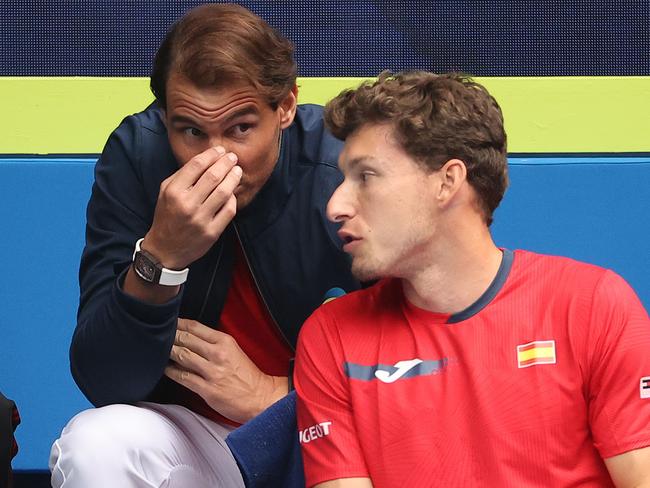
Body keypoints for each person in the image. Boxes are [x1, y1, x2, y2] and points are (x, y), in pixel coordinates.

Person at [49, 4, 360, 487]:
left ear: (286, 106)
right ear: (166, 116)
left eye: (240, 128)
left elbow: (424, 366)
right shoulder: (139, 158)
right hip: (205, 443)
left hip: (333, 438)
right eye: (191, 130)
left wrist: (276, 395)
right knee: (96, 444)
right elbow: (105, 382)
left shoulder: (341, 165)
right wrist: (160, 258)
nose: (218, 159)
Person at [294, 71, 650, 487]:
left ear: (447, 182)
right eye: (342, 179)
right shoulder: (330, 336)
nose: (335, 204)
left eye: (366, 176)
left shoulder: (592, 306)